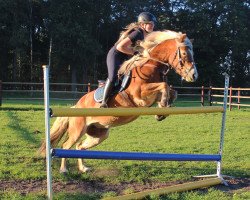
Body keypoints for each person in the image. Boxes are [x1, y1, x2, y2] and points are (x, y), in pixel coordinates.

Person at [100, 12, 157, 108]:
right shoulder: (137, 33)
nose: (152, 26)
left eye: (153, 24)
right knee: (113, 77)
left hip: (127, 57)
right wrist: (135, 53)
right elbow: (120, 46)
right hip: (116, 55)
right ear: (143, 24)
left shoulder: (147, 35)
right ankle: (104, 102)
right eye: (150, 23)